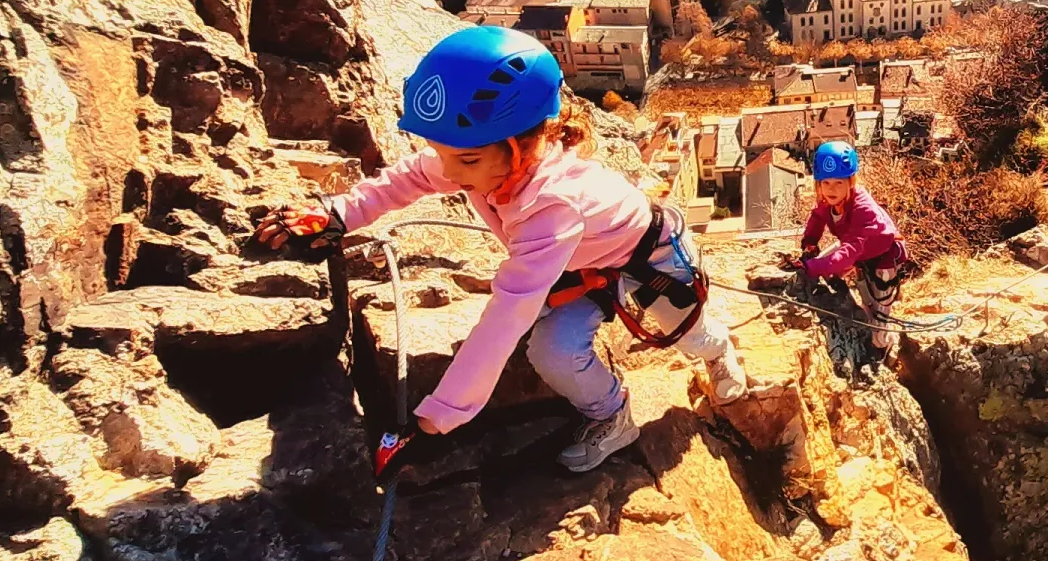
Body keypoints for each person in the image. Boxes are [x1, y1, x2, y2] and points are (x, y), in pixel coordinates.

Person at [256, 27, 747, 474]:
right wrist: (339, 213)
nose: (447, 173)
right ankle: (612, 416)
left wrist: (435, 423)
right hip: (576, 266)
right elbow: (409, 177)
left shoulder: (552, 206)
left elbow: (506, 315)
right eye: (442, 152)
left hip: (650, 258)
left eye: (464, 160)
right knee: (552, 353)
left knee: (687, 335)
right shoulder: (477, 155)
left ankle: (718, 351)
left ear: (520, 148)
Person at [785, 142, 909, 353]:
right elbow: (818, 217)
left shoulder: (864, 210)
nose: (831, 189)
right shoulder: (829, 200)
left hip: (883, 258)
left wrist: (811, 266)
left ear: (851, 182)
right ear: (819, 184)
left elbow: (846, 255)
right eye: (826, 182)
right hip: (858, 251)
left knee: (877, 321)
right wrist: (810, 244)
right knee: (821, 270)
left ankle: (885, 349)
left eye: (838, 183)